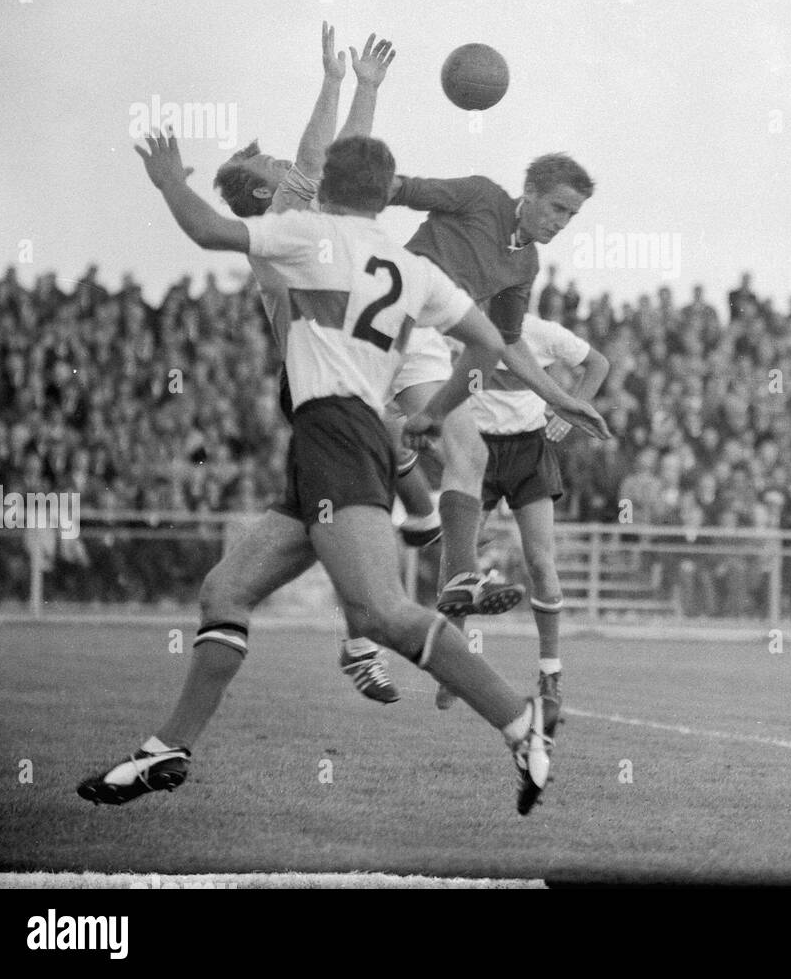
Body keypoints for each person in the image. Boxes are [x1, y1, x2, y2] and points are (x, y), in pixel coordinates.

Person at [78, 134, 553, 815]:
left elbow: (208, 227)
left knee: (383, 613)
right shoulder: (410, 265)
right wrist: (437, 412)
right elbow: (486, 342)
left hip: (337, 431)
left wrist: (166, 181)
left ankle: (518, 720)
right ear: (382, 191)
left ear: (329, 183)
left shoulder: (309, 233)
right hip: (333, 437)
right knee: (225, 590)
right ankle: (169, 748)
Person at [208, 24, 434, 703]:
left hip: (348, 369)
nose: (284, 165)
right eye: (271, 167)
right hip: (324, 379)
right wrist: (338, 84)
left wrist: (364, 90)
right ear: (259, 194)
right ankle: (396, 582)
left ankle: (364, 632)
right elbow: (317, 164)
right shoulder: (276, 229)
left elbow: (347, 165)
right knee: (361, 493)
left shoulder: (314, 223)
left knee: (329, 517)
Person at [385, 154, 611, 622]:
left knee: (470, 454)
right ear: (528, 193)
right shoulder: (480, 195)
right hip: (389, 311)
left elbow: (509, 342)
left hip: (424, 341)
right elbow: (402, 189)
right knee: (362, 450)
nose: (562, 222)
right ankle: (417, 518)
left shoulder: (526, 263)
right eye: (556, 208)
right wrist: (347, 203)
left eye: (571, 215)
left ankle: (458, 578)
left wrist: (563, 400)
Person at [433, 313, 609, 735]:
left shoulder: (541, 332)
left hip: (530, 450)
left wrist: (567, 412)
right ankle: (453, 667)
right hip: (475, 449)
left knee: (541, 563)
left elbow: (598, 364)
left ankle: (550, 672)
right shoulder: (459, 327)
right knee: (457, 565)